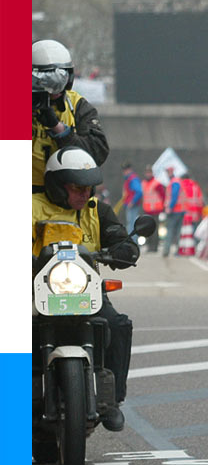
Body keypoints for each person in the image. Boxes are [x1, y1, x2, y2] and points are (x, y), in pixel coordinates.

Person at [32, 147, 137, 431]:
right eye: (76, 188)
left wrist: (125, 248)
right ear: (56, 185)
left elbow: (119, 237)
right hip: (34, 290)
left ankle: (112, 400)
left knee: (116, 323)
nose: (84, 194)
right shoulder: (28, 206)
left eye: (88, 188)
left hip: (84, 290)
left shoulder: (97, 210)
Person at [32, 39, 109, 192]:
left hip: (68, 197)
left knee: (106, 215)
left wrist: (61, 130)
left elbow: (97, 153)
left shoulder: (78, 105)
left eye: (59, 80)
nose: (53, 89)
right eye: (45, 82)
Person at [161, 167, 186, 257]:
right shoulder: (177, 181)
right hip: (181, 210)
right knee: (178, 231)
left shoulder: (174, 182)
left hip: (175, 210)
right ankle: (178, 251)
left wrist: (169, 207)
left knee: (170, 230)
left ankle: (166, 250)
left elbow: (174, 196)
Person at [141, 166, 165, 252]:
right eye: (147, 173)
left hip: (155, 209)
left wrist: (163, 206)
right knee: (148, 229)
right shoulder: (143, 183)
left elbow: (163, 196)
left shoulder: (156, 183)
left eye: (149, 173)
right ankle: (149, 245)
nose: (148, 174)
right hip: (147, 209)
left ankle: (154, 247)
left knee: (155, 229)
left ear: (152, 173)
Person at [120, 162, 143, 241]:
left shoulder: (133, 179)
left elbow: (139, 191)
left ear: (130, 170)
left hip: (133, 205)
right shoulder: (130, 179)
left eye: (126, 170)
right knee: (131, 223)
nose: (124, 172)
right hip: (130, 205)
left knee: (132, 224)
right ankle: (131, 240)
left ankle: (132, 241)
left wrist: (132, 202)